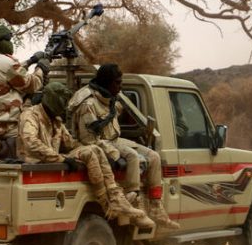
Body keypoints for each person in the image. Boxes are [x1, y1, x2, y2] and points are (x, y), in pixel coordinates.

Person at [18, 82, 154, 229]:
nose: (64, 107)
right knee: (90, 151)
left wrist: (101, 150)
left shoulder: (55, 120)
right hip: (36, 161)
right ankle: (106, 202)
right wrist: (62, 159)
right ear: (53, 100)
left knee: (92, 150)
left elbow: (70, 143)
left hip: (51, 158)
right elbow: (31, 142)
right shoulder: (30, 115)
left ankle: (116, 198)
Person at [68, 63, 180, 230]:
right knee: (133, 157)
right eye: (117, 83)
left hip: (113, 139)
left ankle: (156, 208)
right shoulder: (89, 104)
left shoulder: (109, 98)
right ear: (107, 83)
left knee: (154, 157)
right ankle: (133, 203)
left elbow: (113, 119)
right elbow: (89, 140)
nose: (120, 87)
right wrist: (114, 154)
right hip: (97, 143)